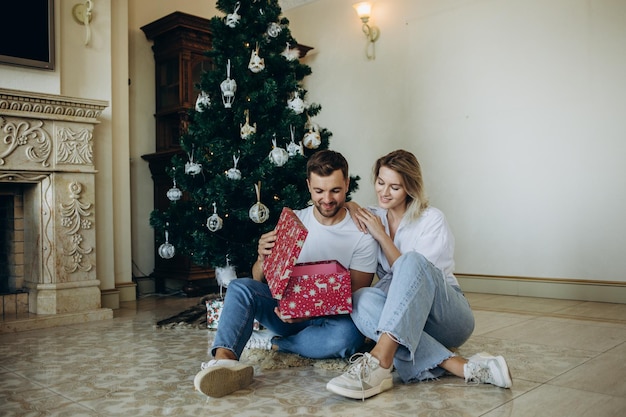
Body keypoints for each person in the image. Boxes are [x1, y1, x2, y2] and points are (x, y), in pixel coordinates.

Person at [325, 149, 512, 400]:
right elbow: (345, 208)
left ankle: (380, 360)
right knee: (360, 299)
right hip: (404, 320)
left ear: (410, 189)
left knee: (412, 261)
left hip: (445, 315)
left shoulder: (431, 219)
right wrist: (351, 204)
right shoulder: (374, 214)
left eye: (394, 187)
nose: (384, 192)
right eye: (380, 182)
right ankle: (461, 366)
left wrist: (381, 235)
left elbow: (414, 277)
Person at [194, 150, 379, 398]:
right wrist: (261, 258)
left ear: (347, 184)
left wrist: (304, 309)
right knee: (241, 287)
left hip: (330, 319)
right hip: (283, 311)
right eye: (319, 191)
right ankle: (224, 360)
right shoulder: (294, 221)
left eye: (335, 190)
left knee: (348, 338)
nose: (327, 199)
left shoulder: (361, 233)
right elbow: (258, 279)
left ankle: (274, 343)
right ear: (308, 186)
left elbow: (355, 294)